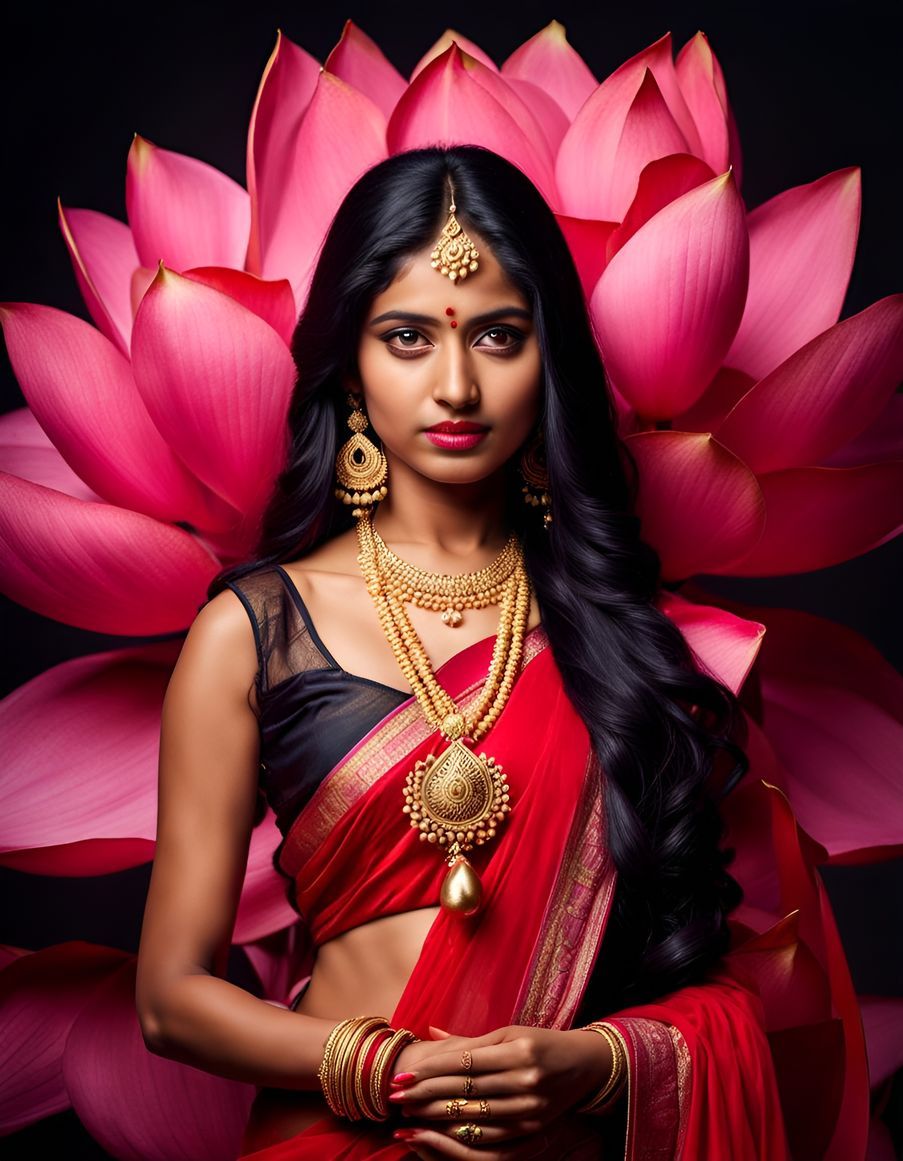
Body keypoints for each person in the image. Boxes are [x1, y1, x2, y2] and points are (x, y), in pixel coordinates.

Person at [135, 145, 858, 1159]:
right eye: (407, 338)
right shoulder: (251, 632)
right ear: (348, 362)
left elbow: (721, 986)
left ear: (548, 359)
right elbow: (171, 998)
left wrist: (598, 1064)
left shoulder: (624, 638)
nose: (458, 385)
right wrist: (390, 1072)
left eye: (499, 336)